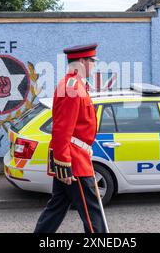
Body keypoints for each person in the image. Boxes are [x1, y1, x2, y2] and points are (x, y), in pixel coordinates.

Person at [34, 43, 108, 233]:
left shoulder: (72, 85)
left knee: (56, 209)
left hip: (74, 155)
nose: (94, 65)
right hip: (74, 160)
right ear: (82, 61)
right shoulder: (72, 87)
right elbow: (62, 128)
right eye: (92, 61)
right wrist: (64, 163)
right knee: (93, 214)